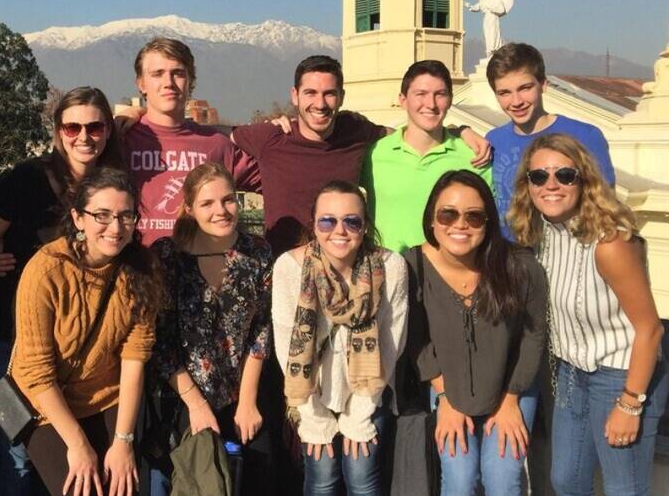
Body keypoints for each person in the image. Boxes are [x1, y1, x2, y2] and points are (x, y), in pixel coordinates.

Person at [0, 86, 123, 496]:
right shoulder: (27, 179)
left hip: (74, 357)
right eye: (72, 126)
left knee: (66, 465)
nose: (84, 136)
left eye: (95, 126)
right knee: (14, 456)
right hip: (6, 345)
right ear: (58, 132)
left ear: (108, 130)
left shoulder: (112, 187)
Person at [508, 134, 666, 496]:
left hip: (621, 377)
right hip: (570, 375)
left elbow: (650, 330)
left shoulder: (610, 244)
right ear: (527, 185)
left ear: (584, 180)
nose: (551, 185)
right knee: (566, 480)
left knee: (623, 488)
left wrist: (630, 403)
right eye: (539, 177)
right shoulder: (542, 234)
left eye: (564, 175)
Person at [233, 55, 491, 257]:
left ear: (342, 97)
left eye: (329, 94)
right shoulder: (271, 137)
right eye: (310, 93)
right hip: (285, 272)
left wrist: (460, 130)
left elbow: (414, 130)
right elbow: (217, 139)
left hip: (348, 274)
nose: (320, 104)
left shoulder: (359, 135)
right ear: (295, 96)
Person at [12, 167, 164, 496]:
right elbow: (37, 372)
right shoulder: (46, 270)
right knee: (81, 487)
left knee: (124, 486)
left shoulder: (141, 270)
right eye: (102, 215)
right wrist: (78, 445)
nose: (115, 227)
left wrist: (124, 442)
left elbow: (135, 356)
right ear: (78, 218)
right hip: (44, 403)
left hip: (105, 395)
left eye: (126, 216)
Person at [406, 170, 545, 495]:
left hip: (512, 386)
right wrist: (445, 399)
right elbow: (416, 341)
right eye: (448, 214)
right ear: (432, 219)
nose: (460, 224)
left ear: (488, 221)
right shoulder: (413, 267)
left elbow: (533, 337)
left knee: (502, 477)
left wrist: (511, 400)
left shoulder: (520, 267)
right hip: (448, 388)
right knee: (459, 477)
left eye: (474, 216)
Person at [271, 181, 408, 496]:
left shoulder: (390, 267)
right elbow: (285, 345)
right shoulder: (289, 268)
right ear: (314, 224)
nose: (340, 230)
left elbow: (390, 344)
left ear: (365, 226)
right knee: (321, 477)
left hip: (370, 390)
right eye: (328, 220)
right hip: (312, 393)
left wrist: (360, 414)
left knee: (362, 476)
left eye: (352, 221)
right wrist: (313, 417)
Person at [148, 162, 274, 496]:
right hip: (180, 396)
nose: (221, 210)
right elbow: (161, 343)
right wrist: (196, 405)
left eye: (228, 200)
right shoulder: (167, 255)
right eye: (207, 203)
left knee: (258, 473)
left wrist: (247, 402)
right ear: (189, 209)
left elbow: (260, 331)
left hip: (238, 392)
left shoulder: (257, 253)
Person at [124, 37, 260, 246]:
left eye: (178, 73)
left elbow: (279, 177)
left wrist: (278, 133)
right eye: (157, 74)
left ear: (191, 81)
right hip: (138, 268)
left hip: (202, 271)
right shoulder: (122, 139)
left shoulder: (217, 145)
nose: (168, 83)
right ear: (141, 83)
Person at [485, 43, 614, 238]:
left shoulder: (585, 136)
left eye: (525, 88)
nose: (516, 101)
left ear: (543, 84)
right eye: (505, 93)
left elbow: (605, 205)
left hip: (566, 256)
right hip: (507, 259)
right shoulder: (493, 140)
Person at [362, 60, 492, 254]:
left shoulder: (475, 156)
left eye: (439, 94)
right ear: (403, 100)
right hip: (387, 273)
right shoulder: (374, 154)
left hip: (449, 276)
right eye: (420, 94)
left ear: (450, 99)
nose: (430, 104)